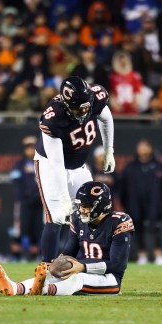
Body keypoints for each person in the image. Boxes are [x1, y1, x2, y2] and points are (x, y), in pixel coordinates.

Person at [0, 181, 133, 296]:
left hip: (110, 280)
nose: (82, 210)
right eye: (80, 206)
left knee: (76, 279)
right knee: (51, 276)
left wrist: (82, 267)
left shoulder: (119, 221)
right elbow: (69, 251)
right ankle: (15, 288)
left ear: (102, 205)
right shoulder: (77, 219)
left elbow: (117, 264)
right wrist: (57, 265)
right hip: (81, 270)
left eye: (87, 206)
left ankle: (44, 290)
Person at [34, 76, 115, 263]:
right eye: (78, 108)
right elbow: (56, 163)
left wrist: (109, 150)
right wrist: (63, 195)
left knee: (92, 211)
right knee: (57, 218)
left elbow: (106, 117)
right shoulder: (53, 117)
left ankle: (87, 262)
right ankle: (46, 270)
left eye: (86, 107)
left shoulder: (95, 97)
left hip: (79, 165)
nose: (83, 112)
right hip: (50, 165)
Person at [120, 138, 162, 265]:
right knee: (138, 229)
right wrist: (127, 204)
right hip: (135, 204)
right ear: (137, 149)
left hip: (155, 203)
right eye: (140, 147)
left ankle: (158, 254)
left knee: (156, 228)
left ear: (151, 149)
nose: (143, 149)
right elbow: (123, 189)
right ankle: (141, 254)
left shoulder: (160, 166)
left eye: (146, 146)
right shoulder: (130, 167)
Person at [8, 136, 43, 261]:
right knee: (20, 228)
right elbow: (16, 183)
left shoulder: (42, 164)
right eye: (27, 148)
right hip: (23, 203)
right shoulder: (19, 165)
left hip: (39, 202)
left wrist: (38, 196)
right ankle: (15, 256)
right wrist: (24, 197)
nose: (30, 150)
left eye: (32, 147)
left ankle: (34, 255)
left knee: (36, 228)